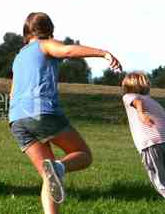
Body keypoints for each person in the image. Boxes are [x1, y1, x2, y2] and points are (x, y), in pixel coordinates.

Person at [9, 12, 121, 214]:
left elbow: (12, 91)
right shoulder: (44, 44)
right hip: (41, 112)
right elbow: (68, 51)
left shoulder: (19, 57)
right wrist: (103, 53)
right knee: (83, 156)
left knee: (48, 174)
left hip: (16, 119)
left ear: (26, 32)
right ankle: (59, 167)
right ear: (48, 30)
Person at [122, 72, 165, 200]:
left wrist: (141, 114)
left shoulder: (128, 96)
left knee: (161, 181)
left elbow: (137, 102)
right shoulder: (154, 102)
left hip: (150, 143)